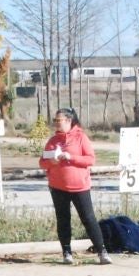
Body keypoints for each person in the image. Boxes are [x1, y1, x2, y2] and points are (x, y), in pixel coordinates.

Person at [40, 108, 110, 265]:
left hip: (80, 187)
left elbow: (90, 160)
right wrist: (51, 162)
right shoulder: (52, 141)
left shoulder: (80, 137)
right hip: (58, 187)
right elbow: (42, 162)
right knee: (63, 219)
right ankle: (66, 252)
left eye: (60, 120)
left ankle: (102, 251)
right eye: (55, 121)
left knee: (88, 218)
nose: (57, 123)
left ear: (69, 121)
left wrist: (71, 157)